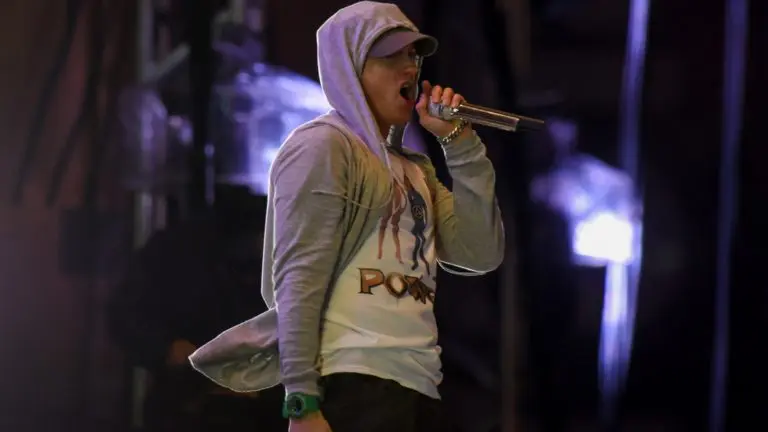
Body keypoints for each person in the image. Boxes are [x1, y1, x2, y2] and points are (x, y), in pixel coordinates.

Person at [188, 2, 505, 431]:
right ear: (350, 69)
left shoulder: (415, 169)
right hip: (352, 380)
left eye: (413, 55)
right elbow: (299, 277)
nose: (409, 68)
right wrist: (302, 401)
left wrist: (460, 145)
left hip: (418, 385)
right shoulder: (324, 146)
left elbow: (481, 252)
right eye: (390, 56)